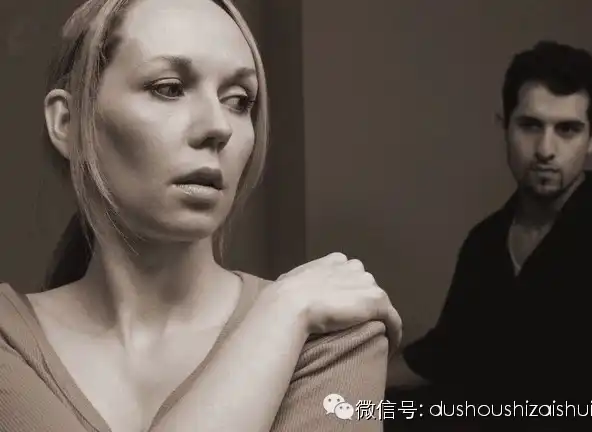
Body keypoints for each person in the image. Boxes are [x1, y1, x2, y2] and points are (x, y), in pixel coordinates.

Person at [0, 0, 403, 431]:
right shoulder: (9, 338)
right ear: (69, 122)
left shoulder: (333, 336)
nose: (219, 126)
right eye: (169, 88)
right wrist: (283, 312)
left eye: (239, 101)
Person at [386, 41, 592, 431]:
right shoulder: (485, 242)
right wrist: (339, 383)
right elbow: (445, 353)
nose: (546, 149)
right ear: (505, 126)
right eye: (531, 125)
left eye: (567, 129)